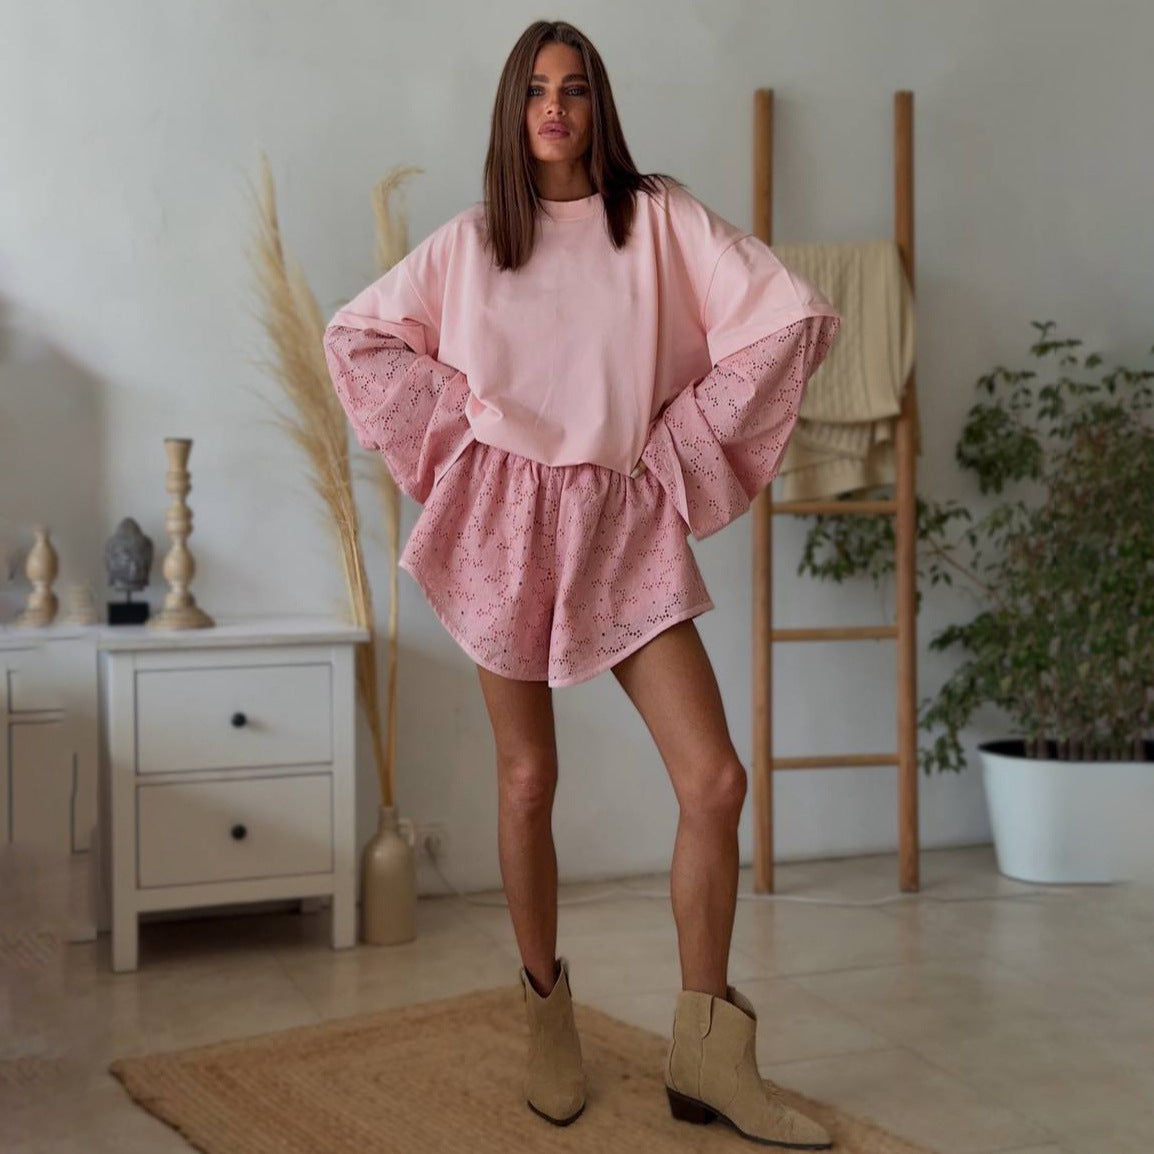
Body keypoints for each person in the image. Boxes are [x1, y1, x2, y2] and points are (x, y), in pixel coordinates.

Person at [323, 19, 840, 1148]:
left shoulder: (657, 218)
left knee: (713, 780)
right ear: (512, 112)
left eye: (574, 89)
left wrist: (675, 441)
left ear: (599, 106)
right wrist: (469, 430)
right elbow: (358, 336)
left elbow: (783, 314)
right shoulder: (470, 243)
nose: (554, 108)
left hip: (621, 519)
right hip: (502, 526)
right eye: (535, 90)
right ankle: (546, 1019)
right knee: (527, 780)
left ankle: (706, 1055)